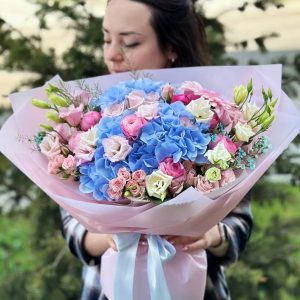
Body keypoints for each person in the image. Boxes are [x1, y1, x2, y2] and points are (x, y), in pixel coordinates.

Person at [60, 0, 253, 299]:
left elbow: (239, 226)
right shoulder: (88, 119)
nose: (112, 54)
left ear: (172, 46)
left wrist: (208, 234)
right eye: (106, 38)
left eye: (130, 42)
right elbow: (72, 228)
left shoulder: (213, 118)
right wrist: (113, 235)